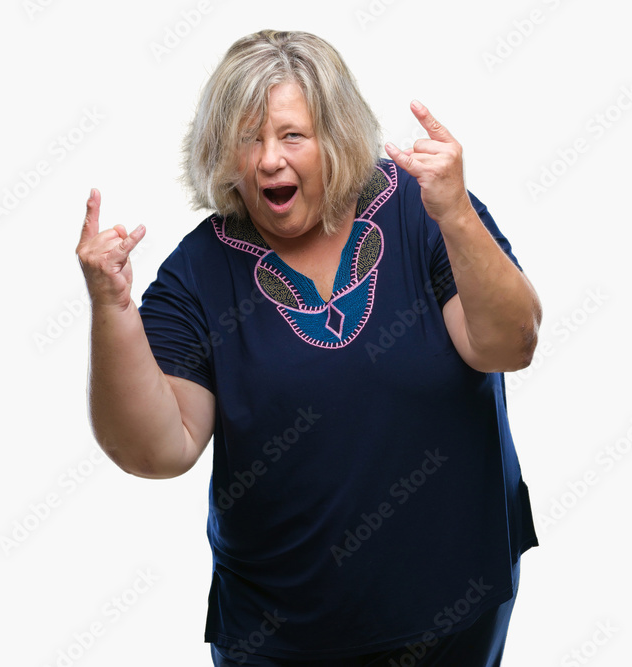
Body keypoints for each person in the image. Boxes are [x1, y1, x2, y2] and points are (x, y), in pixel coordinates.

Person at [76, 29, 542, 666]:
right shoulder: (196, 274)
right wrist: (111, 309)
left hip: (457, 610)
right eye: (248, 137)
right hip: (282, 639)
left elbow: (509, 345)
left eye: (292, 135)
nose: (269, 160)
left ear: (337, 135)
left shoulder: (423, 211)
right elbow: (156, 451)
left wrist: (457, 213)